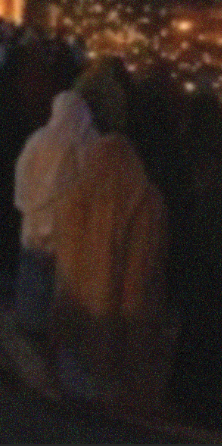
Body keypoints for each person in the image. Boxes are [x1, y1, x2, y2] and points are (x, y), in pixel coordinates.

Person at [51, 133, 173, 413]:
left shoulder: (73, 201)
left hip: (75, 349)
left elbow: (64, 279)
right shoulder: (148, 205)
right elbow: (141, 288)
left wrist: (55, 341)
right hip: (121, 356)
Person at [12, 91, 98, 337]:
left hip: (36, 222)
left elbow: (23, 175)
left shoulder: (40, 139)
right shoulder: (90, 144)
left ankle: (29, 322)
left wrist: (30, 205)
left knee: (33, 273)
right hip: (69, 228)